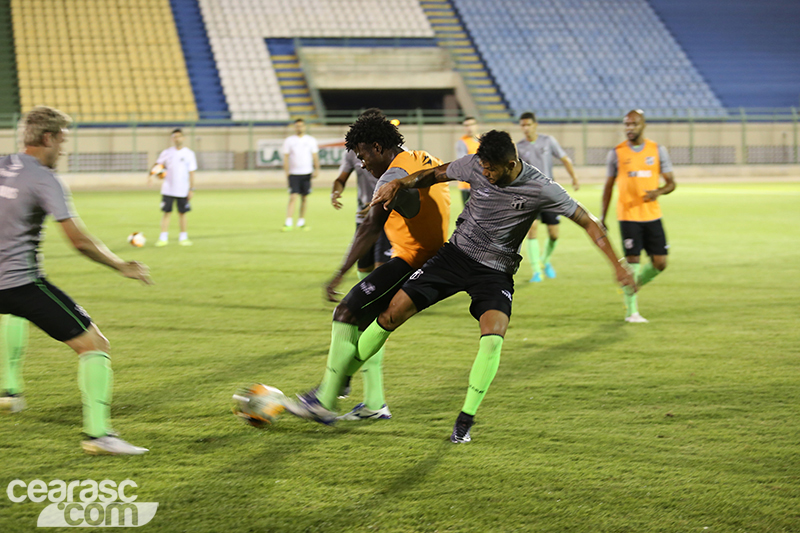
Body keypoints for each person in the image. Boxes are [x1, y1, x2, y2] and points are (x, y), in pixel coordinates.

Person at [291, 130, 635, 444]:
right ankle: (343, 380)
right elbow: (433, 174)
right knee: (391, 313)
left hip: (495, 272)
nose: (484, 174)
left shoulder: (541, 187)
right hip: (453, 257)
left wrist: (617, 265)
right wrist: (403, 184)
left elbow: (588, 222)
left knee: (494, 333)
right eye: (482, 167)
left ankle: (464, 420)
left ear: (512, 164)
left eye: (491, 170)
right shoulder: (473, 164)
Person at [277, 112, 450, 422]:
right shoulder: (424, 158)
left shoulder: (389, 179)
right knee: (369, 324)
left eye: (363, 155)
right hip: (433, 259)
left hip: (414, 261)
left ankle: (327, 398)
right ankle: (373, 402)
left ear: (378, 146)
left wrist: (338, 274)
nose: (362, 163)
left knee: (346, 311)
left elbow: (370, 229)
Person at [0, 106, 152, 454]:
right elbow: (79, 241)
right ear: (48, 138)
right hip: (20, 284)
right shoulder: (44, 178)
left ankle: (10, 393)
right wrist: (121, 265)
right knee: (94, 344)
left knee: (12, 312)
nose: (64, 149)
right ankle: (99, 435)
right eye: (63, 141)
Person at [601, 110, 676, 323]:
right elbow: (608, 188)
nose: (629, 128)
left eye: (633, 124)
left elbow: (672, 183)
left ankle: (636, 283)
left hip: (652, 215)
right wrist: (602, 217)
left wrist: (658, 192)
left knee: (660, 263)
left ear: (643, 125)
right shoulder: (617, 153)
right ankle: (631, 312)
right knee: (632, 260)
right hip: (628, 215)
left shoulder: (657, 151)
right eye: (626, 124)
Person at [517, 111, 580, 282]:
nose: (526, 128)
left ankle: (544, 261)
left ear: (535, 125)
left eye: (528, 124)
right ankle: (536, 270)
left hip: (550, 193)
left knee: (554, 234)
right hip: (529, 195)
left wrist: (573, 177)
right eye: (523, 125)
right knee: (532, 230)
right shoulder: (519, 147)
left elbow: (565, 158)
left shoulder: (548, 141)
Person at [331, 148, 392, 278]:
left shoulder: (395, 151)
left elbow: (401, 184)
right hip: (363, 217)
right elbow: (340, 179)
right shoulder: (351, 153)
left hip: (389, 216)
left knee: (382, 268)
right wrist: (335, 192)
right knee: (364, 269)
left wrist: (378, 205)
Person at [151, 128, 197, 247]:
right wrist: (155, 174)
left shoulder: (189, 153)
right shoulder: (166, 153)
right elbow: (157, 166)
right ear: (172, 139)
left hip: (183, 189)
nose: (177, 139)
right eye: (174, 137)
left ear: (183, 138)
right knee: (166, 213)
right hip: (168, 189)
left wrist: (192, 189)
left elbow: (192, 172)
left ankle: (183, 237)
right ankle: (163, 237)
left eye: (179, 136)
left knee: (182, 213)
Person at [282, 118, 320, 231]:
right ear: (294, 127)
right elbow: (286, 157)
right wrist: (287, 172)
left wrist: (317, 168)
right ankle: (288, 222)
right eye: (297, 126)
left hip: (306, 172)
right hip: (294, 173)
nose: (299, 128)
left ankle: (301, 221)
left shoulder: (311, 140)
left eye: (301, 126)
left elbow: (315, 156)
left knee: (304, 197)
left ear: (304, 127)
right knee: (293, 196)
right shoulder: (289, 141)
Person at [454, 116, 480, 207]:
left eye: (471, 125)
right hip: (467, 184)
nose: (469, 128)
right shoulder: (462, 142)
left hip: (481, 183)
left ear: (476, 126)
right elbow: (464, 163)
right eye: (466, 125)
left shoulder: (482, 140)